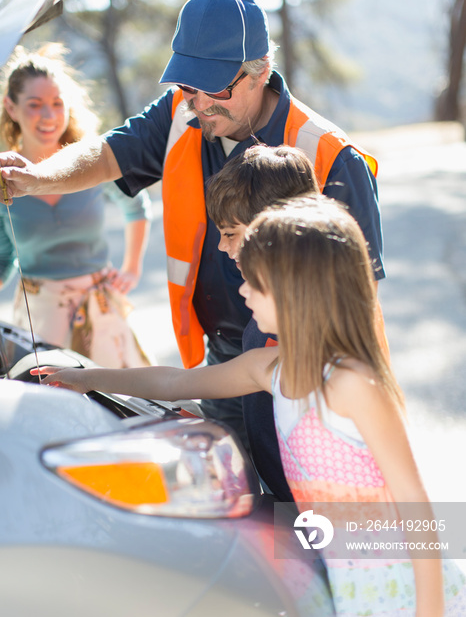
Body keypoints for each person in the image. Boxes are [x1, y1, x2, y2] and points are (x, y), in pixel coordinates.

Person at [35, 195, 466, 616]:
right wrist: (88, 377)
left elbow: (417, 505)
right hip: (349, 581)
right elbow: (175, 381)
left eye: (254, 281)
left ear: (294, 290)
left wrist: (429, 610)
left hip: (405, 587)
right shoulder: (270, 368)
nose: (242, 290)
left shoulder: (351, 383)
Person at [0, 0, 384, 437]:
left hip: (304, 367)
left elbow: (359, 299)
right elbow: (107, 155)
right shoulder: (181, 112)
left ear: (260, 72)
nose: (197, 103)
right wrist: (38, 178)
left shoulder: (332, 156)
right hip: (221, 359)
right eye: (186, 85)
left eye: (214, 87)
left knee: (303, 499)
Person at [0, 43, 153, 368]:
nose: (49, 115)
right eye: (35, 104)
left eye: (57, 103)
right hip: (38, 319)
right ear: (10, 107)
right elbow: (4, 258)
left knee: (123, 408)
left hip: (101, 313)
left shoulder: (90, 163)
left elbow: (136, 207)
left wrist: (132, 268)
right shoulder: (5, 179)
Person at [205, 143, 318, 499]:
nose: (223, 248)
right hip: (295, 515)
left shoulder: (328, 361)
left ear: (271, 230)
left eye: (229, 234)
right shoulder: (261, 335)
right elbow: (179, 381)